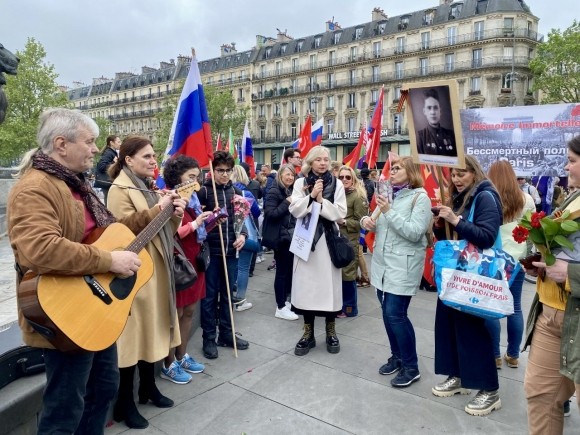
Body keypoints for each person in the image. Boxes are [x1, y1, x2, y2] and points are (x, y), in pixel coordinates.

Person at [7, 108, 183, 434]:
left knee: (103, 387)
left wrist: (158, 212)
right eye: (88, 142)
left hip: (95, 310)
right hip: (66, 314)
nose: (95, 149)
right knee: (64, 406)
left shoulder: (77, 184)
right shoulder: (35, 187)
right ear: (61, 144)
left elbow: (112, 234)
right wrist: (108, 262)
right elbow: (40, 249)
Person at [107, 136, 187, 429]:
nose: (154, 161)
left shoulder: (147, 186)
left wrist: (175, 216)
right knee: (133, 339)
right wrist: (159, 209)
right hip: (136, 274)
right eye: (147, 156)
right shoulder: (119, 188)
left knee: (152, 333)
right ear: (128, 160)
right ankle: (124, 401)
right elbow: (119, 228)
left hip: (156, 269)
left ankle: (148, 388)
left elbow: (162, 228)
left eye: (154, 156)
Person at [430, 155, 503, 416]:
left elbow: (486, 236)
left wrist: (456, 220)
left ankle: (489, 389)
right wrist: (441, 224)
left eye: (463, 173)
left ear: (474, 172)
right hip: (455, 274)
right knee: (449, 326)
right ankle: (458, 375)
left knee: (472, 330)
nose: (457, 178)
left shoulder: (485, 196)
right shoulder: (461, 197)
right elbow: (454, 238)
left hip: (474, 277)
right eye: (454, 173)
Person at [522, 136, 580, 434]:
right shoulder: (573, 196)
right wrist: (542, 257)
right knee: (541, 397)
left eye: (572, 160)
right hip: (550, 314)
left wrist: (571, 274)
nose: (566, 168)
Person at [361, 156, 431, 388]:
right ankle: (398, 356)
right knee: (387, 313)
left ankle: (411, 367)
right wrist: (366, 222)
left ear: (411, 172)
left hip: (403, 265)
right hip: (382, 263)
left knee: (396, 314)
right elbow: (373, 220)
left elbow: (414, 232)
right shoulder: (389, 193)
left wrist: (389, 211)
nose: (391, 172)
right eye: (392, 169)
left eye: (398, 169)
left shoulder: (420, 198)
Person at [289, 146, 347, 356]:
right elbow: (295, 209)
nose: (323, 163)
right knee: (307, 289)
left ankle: (331, 331)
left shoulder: (337, 183)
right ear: (311, 162)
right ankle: (308, 334)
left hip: (328, 241)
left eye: (326, 159)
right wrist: (311, 196)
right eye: (319, 159)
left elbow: (341, 212)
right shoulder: (299, 183)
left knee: (328, 288)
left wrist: (322, 202)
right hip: (306, 240)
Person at [161, 155, 212, 384]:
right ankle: (168, 361)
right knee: (177, 313)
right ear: (177, 177)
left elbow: (194, 229)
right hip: (180, 261)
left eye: (197, 176)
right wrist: (197, 223)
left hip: (195, 259)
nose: (196, 180)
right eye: (191, 176)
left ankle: (182, 355)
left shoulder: (192, 199)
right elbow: (173, 232)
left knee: (190, 311)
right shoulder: (169, 198)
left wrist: (210, 222)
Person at [197, 151, 249, 359]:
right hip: (211, 252)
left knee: (228, 295)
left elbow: (242, 222)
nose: (224, 174)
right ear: (212, 170)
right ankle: (208, 338)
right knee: (209, 298)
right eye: (220, 170)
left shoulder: (237, 192)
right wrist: (210, 219)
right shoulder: (204, 193)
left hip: (230, 251)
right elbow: (197, 224)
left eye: (228, 170)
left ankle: (226, 334)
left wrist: (243, 236)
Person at [485, 161, 530, 370]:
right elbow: (531, 230)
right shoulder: (526, 199)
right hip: (518, 260)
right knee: (515, 308)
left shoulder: (490, 198)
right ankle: (513, 355)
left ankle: (493, 355)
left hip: (494, 259)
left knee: (492, 307)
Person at [262, 163, 299, 321]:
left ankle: (285, 301)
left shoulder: (288, 190)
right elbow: (270, 214)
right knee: (282, 273)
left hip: (289, 237)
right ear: (280, 175)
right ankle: (280, 306)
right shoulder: (274, 190)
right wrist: (288, 202)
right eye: (287, 174)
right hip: (280, 239)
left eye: (292, 175)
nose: (290, 177)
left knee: (289, 271)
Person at [336, 165, 368, 318]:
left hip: (350, 241)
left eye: (347, 177)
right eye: (341, 177)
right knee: (340, 274)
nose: (344, 180)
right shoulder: (338, 194)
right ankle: (341, 305)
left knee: (348, 274)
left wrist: (343, 222)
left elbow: (362, 222)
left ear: (353, 179)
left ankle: (350, 308)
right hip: (337, 240)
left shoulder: (358, 196)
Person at [231, 164, 261, 312]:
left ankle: (228, 299)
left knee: (231, 268)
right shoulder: (246, 194)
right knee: (243, 268)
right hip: (245, 236)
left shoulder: (226, 192)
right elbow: (256, 213)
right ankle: (241, 301)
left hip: (229, 236)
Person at [416, 88, 456, 157]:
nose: (433, 112)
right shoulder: (420, 136)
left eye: (435, 108)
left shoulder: (451, 135)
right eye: (429, 108)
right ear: (424, 111)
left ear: (440, 110)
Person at [94, 134, 121, 204]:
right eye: (118, 142)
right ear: (111, 143)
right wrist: (114, 163)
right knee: (110, 202)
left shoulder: (111, 152)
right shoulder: (108, 153)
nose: (120, 144)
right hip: (107, 181)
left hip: (108, 182)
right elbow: (101, 166)